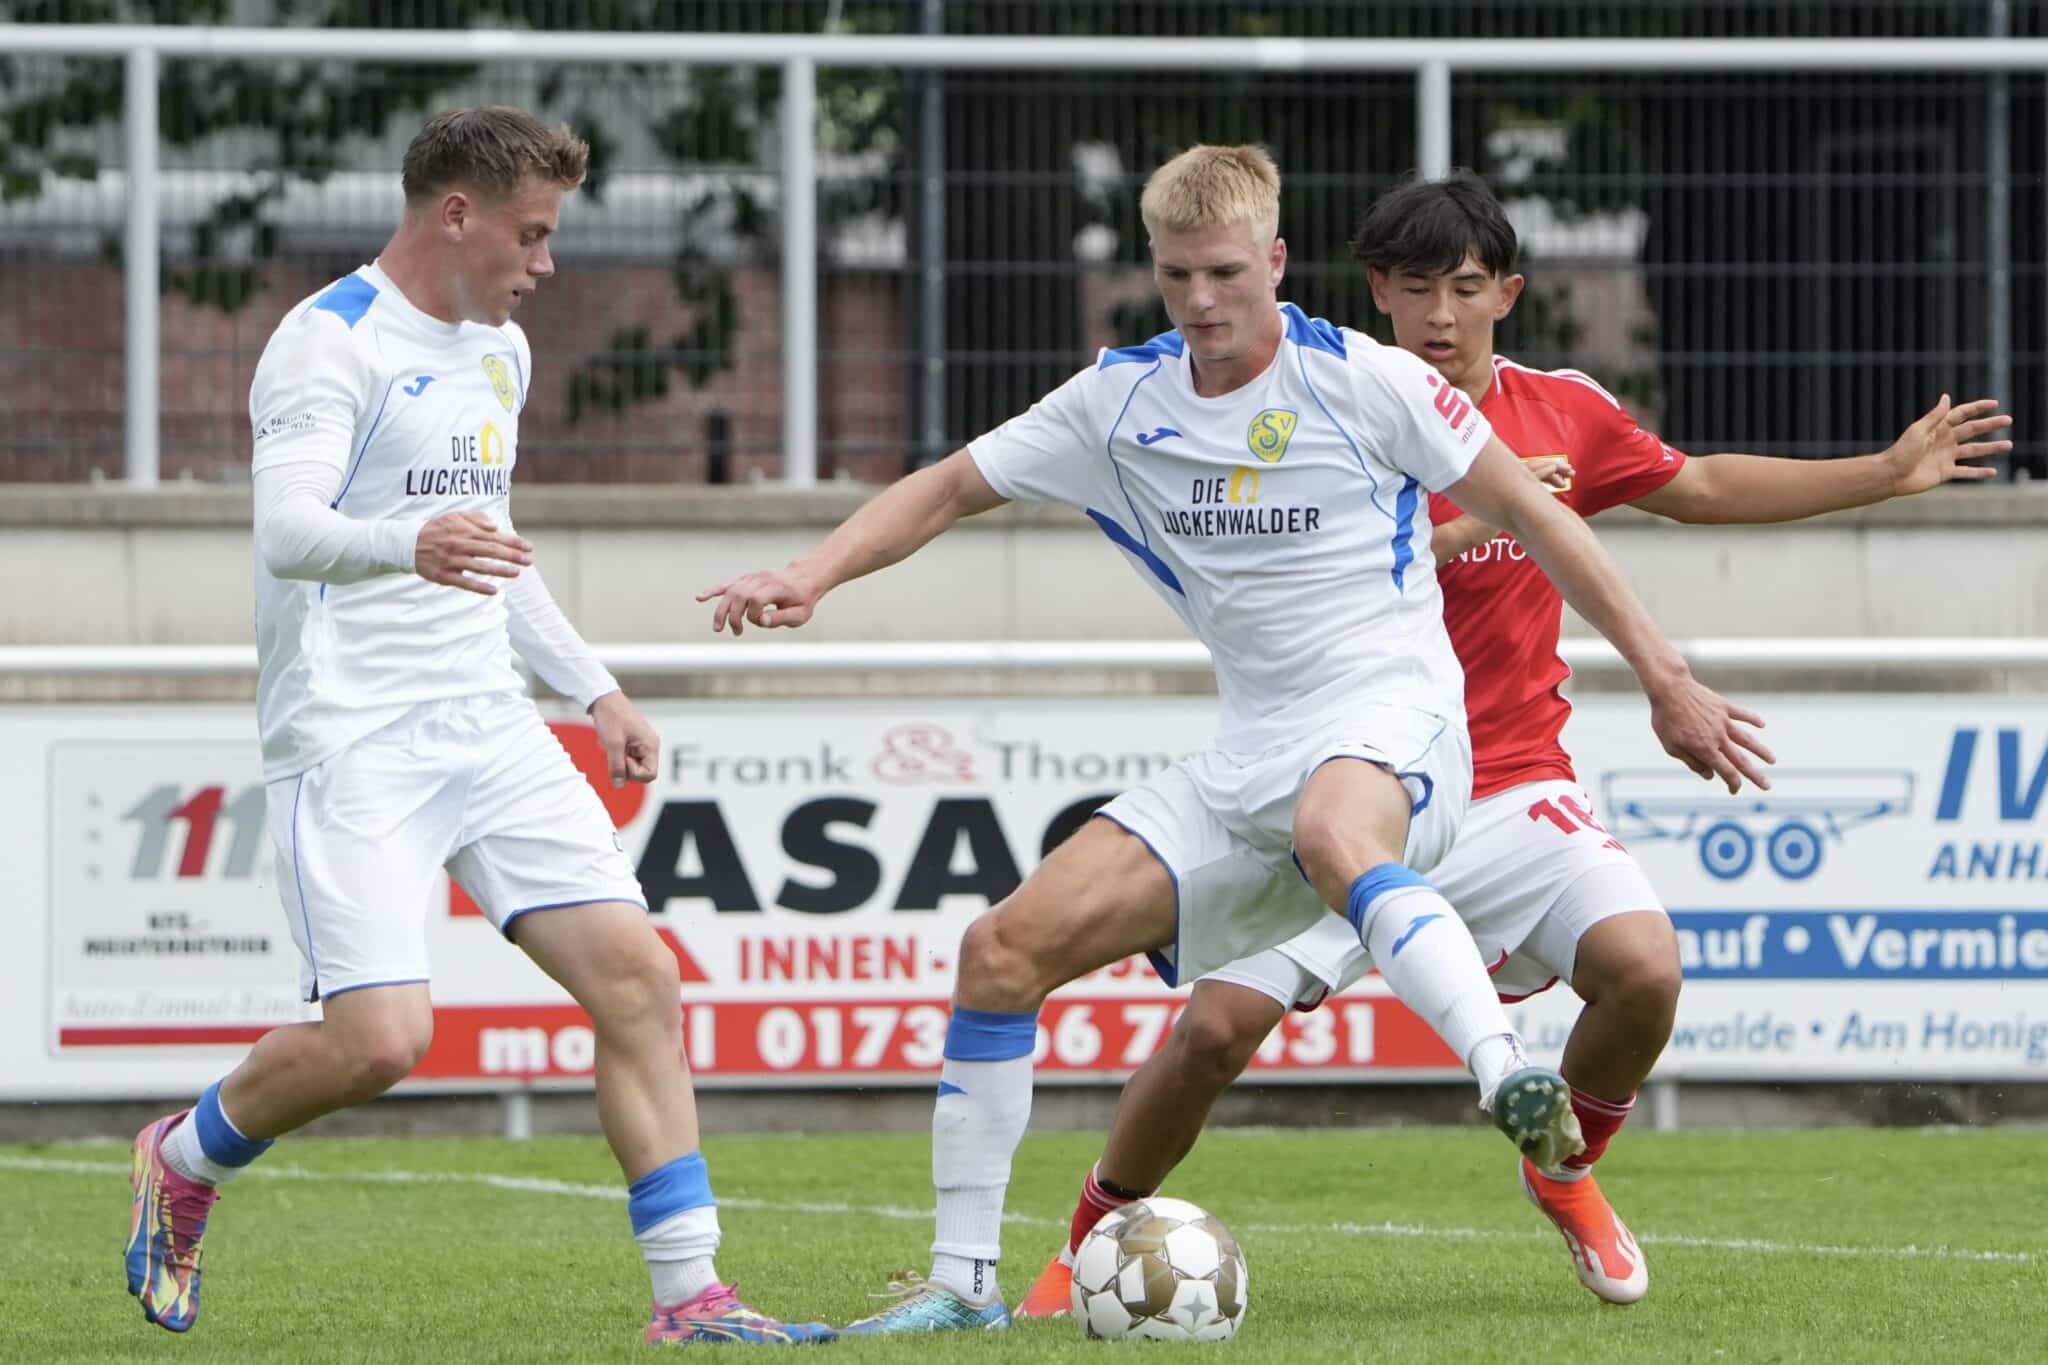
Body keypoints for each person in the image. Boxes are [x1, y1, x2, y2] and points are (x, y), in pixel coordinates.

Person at [699, 146, 1771, 1335]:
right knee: (1003, 951)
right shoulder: (1119, 401)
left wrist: (1665, 678)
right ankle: (961, 1290)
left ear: (1272, 262)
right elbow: (948, 486)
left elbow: (1540, 514)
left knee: (1336, 829)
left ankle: (1503, 1070)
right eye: (1173, 277)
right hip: (1251, 749)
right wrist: (812, 570)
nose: (1200, 302)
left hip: (1398, 719)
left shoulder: (1365, 382)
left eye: (1221, 273)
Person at [1013, 169, 2012, 1317]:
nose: (1438, 316)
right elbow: (1328, 568)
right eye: (1412, 288)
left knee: (1643, 971)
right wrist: (1490, 513)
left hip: (1506, 782)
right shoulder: (1326, 401)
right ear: (1374, 293)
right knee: (1210, 1033)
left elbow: (1695, 482)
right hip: (1344, 783)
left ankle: (1563, 1167)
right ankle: (1079, 1249)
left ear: (1507, 293)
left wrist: (1880, 476)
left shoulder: (1561, 410)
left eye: (1464, 288)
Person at [122, 106, 832, 1347]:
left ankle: (690, 1298)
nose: (545, 264)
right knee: (380, 1041)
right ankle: (184, 1156)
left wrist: (593, 687)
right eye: (533, 234)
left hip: (486, 726)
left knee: (640, 981)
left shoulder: (498, 349)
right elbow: (286, 533)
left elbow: (492, 555)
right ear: (458, 215)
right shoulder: (324, 344)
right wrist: (408, 540)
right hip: (352, 738)